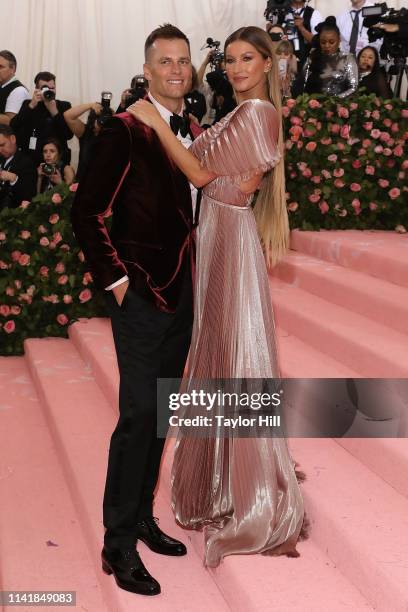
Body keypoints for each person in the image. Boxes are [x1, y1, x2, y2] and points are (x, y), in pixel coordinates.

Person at [128, 25, 306, 568]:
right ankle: (224, 482)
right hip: (213, 243)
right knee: (218, 363)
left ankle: (250, 488)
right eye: (228, 59)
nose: (234, 68)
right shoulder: (233, 114)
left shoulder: (259, 116)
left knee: (237, 359)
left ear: (268, 64)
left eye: (247, 58)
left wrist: (155, 121)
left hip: (230, 244)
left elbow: (210, 180)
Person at [71, 24, 203, 596]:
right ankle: (117, 542)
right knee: (137, 420)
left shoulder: (192, 129)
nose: (176, 70)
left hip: (184, 295)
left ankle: (143, 517)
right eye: (165, 62)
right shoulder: (124, 130)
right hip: (144, 298)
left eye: (183, 61)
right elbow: (87, 212)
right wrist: (120, 283)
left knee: (163, 415)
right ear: (147, 71)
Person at [10, 71, 73, 165]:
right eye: (45, 88)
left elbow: (68, 135)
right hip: (31, 159)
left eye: (52, 88)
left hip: (56, 160)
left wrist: (54, 112)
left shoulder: (64, 106)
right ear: (36, 89)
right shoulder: (28, 104)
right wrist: (31, 105)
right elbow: (13, 126)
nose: (49, 91)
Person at [293, 16, 358, 98]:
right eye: (323, 42)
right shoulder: (313, 57)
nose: (327, 46)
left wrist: (334, 100)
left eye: (331, 42)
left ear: (339, 40)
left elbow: (353, 87)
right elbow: (302, 83)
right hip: (314, 104)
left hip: (340, 105)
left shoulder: (347, 59)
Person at [64, 101, 113, 182]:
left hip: (104, 184)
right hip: (83, 183)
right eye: (98, 117)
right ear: (93, 119)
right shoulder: (86, 132)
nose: (102, 121)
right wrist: (90, 105)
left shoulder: (113, 136)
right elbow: (68, 115)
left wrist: (111, 113)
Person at [0, 125, 36, 209]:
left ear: (13, 139)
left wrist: (14, 179)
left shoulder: (26, 163)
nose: (0, 150)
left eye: (2, 145)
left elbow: (28, 197)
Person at [0, 51, 29, 126]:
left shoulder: (18, 91)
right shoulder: (3, 86)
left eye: (0, 67)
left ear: (13, 68)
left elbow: (10, 121)